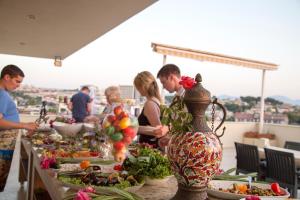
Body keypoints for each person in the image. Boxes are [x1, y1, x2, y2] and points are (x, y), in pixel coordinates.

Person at [0, 64, 38, 191]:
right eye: (17, 81)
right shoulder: (2, 95)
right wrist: (25, 125)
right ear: (6, 77)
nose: (18, 85)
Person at [134, 71, 166, 147]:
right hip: (149, 147)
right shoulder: (156, 101)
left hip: (149, 148)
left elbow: (159, 130)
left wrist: (134, 128)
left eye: (137, 87)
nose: (137, 90)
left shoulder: (150, 104)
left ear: (143, 86)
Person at [156, 64, 184, 148]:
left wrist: (167, 128)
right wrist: (170, 138)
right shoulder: (178, 96)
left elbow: (188, 122)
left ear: (172, 77)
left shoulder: (187, 95)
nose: (163, 87)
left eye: (163, 82)